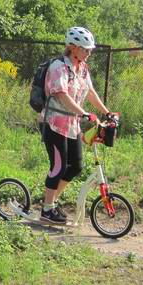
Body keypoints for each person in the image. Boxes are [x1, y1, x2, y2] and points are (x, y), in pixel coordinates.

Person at [39, 26, 112, 224]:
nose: (89, 52)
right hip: (53, 124)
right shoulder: (58, 67)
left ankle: (50, 202)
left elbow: (90, 92)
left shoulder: (82, 69)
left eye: (90, 49)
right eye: (85, 49)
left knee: (76, 166)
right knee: (59, 166)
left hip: (71, 125)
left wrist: (107, 112)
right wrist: (84, 113)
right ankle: (47, 209)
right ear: (73, 48)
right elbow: (62, 95)